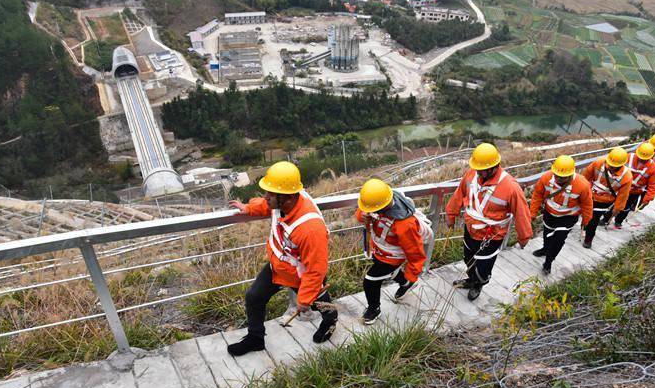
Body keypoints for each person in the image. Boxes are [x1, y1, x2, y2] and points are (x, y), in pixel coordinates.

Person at [226, 161, 337, 356]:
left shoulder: (310, 229)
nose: (266, 197)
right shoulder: (284, 201)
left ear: (286, 197)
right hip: (279, 266)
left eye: (270, 193)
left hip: (302, 276)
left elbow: (316, 269)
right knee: (254, 297)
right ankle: (255, 339)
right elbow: (267, 205)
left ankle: (330, 320)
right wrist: (249, 208)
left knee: (319, 304)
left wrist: (303, 298)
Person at [445, 143, 532, 301]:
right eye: (477, 169)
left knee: (483, 267)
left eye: (482, 170)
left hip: (491, 236)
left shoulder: (511, 187)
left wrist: (524, 237)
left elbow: (521, 213)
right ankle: (471, 280)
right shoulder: (472, 175)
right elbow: (459, 193)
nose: (478, 172)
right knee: (468, 259)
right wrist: (451, 214)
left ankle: (479, 283)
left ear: (494, 166)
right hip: (471, 230)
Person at [355, 178, 428, 324]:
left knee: (370, 281)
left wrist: (413, 273)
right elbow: (362, 213)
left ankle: (373, 309)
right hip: (379, 249)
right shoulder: (380, 200)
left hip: (392, 257)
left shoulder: (405, 224)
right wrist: (361, 215)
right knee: (387, 272)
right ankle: (404, 282)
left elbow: (415, 252)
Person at [529, 155, 593, 274]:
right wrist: (532, 213)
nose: (558, 178)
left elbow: (587, 204)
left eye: (562, 177)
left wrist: (586, 220)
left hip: (568, 217)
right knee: (547, 235)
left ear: (570, 175)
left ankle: (548, 262)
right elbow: (537, 195)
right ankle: (544, 249)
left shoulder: (582, 184)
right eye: (556, 175)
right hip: (549, 213)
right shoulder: (546, 178)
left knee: (558, 240)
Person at [581, 147, 632, 248]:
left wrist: (617, 209)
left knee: (593, 220)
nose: (610, 167)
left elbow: (623, 195)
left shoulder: (626, 176)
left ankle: (588, 239)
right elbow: (585, 177)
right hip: (590, 195)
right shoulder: (598, 164)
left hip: (604, 201)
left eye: (614, 166)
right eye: (610, 165)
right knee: (586, 215)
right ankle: (584, 227)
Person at [613, 142, 655, 228]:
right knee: (614, 203)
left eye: (644, 159)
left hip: (635, 191)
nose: (642, 159)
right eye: (640, 157)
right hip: (621, 186)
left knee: (626, 207)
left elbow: (653, 185)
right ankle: (606, 219)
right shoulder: (628, 157)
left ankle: (618, 221)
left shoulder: (653, 168)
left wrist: (647, 199)